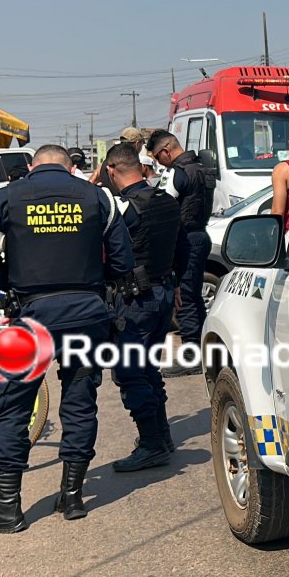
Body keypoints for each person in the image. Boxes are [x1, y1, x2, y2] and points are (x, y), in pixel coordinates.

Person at [0, 145, 135, 533]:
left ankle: (6, 507)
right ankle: (72, 497)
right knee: (79, 400)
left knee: (12, 406)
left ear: (32, 165)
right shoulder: (100, 197)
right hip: (88, 315)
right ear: (69, 166)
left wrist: (21, 288)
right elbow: (123, 262)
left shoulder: (6, 197)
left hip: (32, 316)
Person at [104, 143, 181, 470]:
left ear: (111, 171)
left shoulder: (123, 208)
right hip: (163, 292)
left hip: (136, 300)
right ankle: (161, 436)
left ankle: (151, 443)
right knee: (149, 368)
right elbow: (180, 247)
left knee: (131, 371)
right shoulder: (166, 200)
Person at [148, 131, 214, 377]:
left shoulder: (177, 172)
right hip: (200, 235)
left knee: (183, 299)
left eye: (157, 157)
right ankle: (201, 351)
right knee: (194, 297)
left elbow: (161, 206)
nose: (157, 163)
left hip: (184, 240)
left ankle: (192, 357)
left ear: (165, 151)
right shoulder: (202, 168)